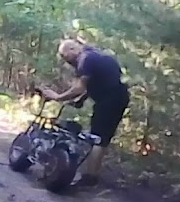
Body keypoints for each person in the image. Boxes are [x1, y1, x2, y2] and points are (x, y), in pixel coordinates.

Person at [36, 39, 130, 187]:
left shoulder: (85, 59)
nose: (69, 63)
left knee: (97, 138)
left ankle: (89, 178)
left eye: (67, 58)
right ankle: (92, 175)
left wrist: (57, 97)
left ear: (73, 49)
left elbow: (79, 88)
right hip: (119, 97)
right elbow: (100, 81)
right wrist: (81, 100)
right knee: (102, 138)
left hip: (109, 101)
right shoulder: (97, 55)